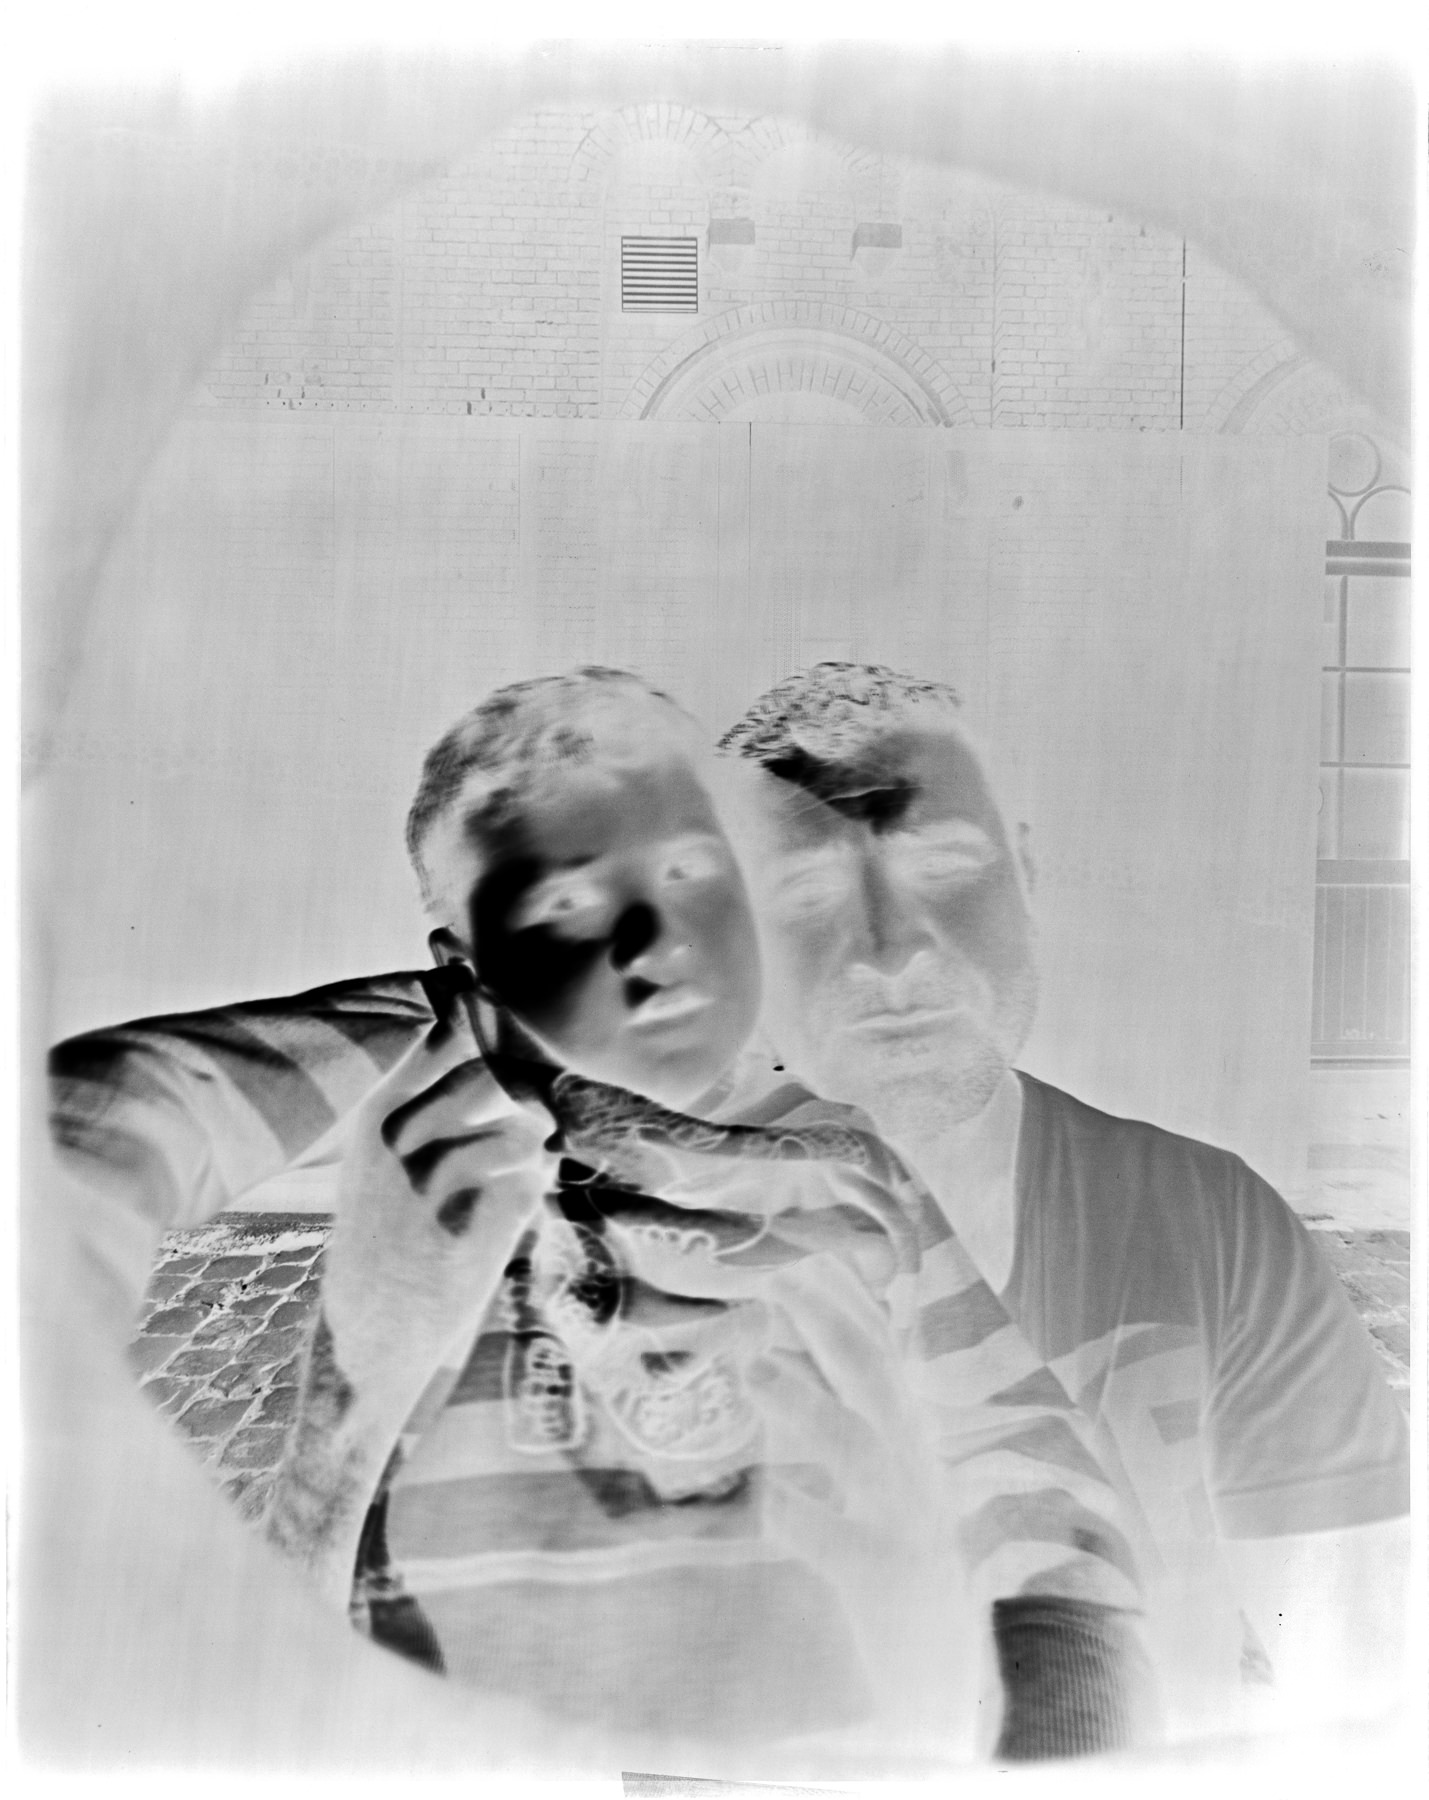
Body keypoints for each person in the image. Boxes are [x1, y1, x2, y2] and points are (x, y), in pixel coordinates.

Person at [51, 667, 1157, 1767]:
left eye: (687, 869)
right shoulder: (449, 1056)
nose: (652, 935)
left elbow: (1035, 1483)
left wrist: (1056, 1734)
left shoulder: (852, 1169)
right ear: (472, 968)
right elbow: (125, 1103)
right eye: (564, 903)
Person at [714, 660, 1411, 1738]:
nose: (892, 948)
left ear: (1025, 876)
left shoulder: (1211, 1221)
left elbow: (1349, 1691)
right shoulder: (637, 1255)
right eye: (804, 895)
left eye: (944, 864)